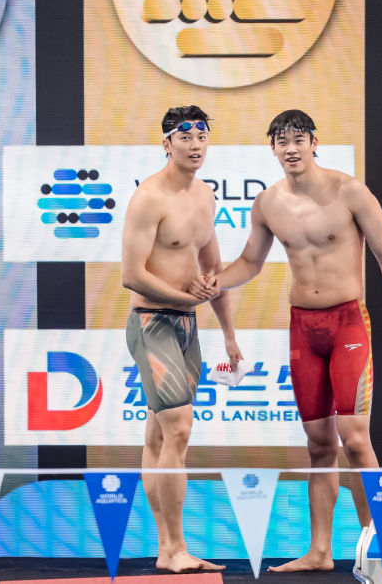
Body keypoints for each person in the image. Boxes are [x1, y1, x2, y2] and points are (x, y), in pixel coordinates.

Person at [191, 109, 382, 572]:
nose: (291, 148)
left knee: (355, 440)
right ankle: (319, 552)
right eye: (282, 141)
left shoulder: (350, 191)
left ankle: (379, 549)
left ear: (315, 143)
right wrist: (215, 282)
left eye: (299, 139)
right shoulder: (267, 203)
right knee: (318, 445)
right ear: (272, 149)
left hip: (348, 324)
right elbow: (250, 263)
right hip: (303, 327)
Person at [121, 105, 242, 573]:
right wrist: (185, 299)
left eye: (202, 137)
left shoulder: (206, 195)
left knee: (159, 437)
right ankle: (174, 548)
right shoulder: (148, 198)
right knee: (179, 429)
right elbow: (132, 275)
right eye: (185, 137)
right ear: (166, 143)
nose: (195, 145)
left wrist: (228, 334)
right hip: (152, 324)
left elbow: (213, 271)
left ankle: (167, 549)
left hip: (188, 328)